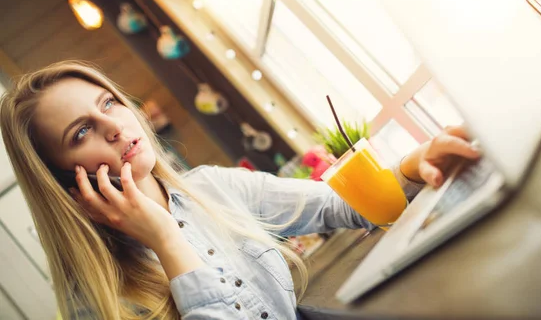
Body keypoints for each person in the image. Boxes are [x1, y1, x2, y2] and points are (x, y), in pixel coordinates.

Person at [0, 61, 480, 319]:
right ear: (62, 181)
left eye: (109, 102)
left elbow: (340, 205)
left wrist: (415, 164)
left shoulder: (212, 186)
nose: (114, 125)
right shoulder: (98, 298)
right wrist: (167, 240)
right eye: (80, 132)